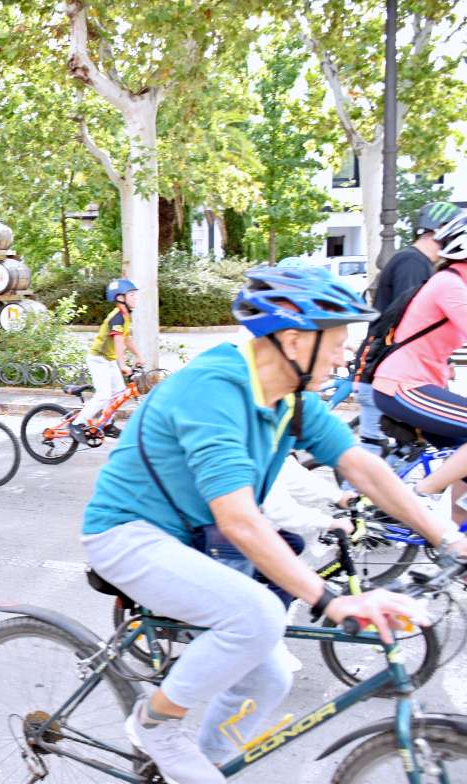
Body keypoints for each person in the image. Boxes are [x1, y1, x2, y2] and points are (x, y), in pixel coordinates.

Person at [81, 265, 466, 780]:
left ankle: (197, 766)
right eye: (335, 343)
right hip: (128, 534)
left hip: (193, 544)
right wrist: (332, 599)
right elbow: (238, 519)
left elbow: (363, 467)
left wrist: (447, 538)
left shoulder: (293, 403)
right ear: (292, 339)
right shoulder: (214, 389)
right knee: (260, 616)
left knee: (271, 676)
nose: (343, 355)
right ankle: (155, 724)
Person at [372, 210, 467, 523]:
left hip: (419, 386)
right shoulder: (449, 284)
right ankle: (417, 498)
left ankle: (459, 557)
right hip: (403, 386)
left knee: (463, 468)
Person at [356, 201, 461, 448]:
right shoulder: (413, 264)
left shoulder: (418, 263)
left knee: (398, 452)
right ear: (441, 230)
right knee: (374, 450)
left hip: (391, 371)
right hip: (393, 374)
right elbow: (410, 322)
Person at [72, 278, 144, 442]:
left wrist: (139, 356)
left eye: (135, 294)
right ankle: (77, 424)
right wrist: (122, 364)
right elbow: (118, 340)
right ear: (120, 298)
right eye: (131, 294)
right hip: (98, 359)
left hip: (108, 360)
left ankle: (106, 424)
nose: (135, 297)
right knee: (104, 394)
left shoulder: (125, 317)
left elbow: (126, 339)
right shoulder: (117, 317)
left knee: (118, 393)